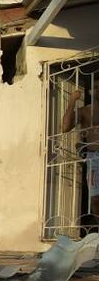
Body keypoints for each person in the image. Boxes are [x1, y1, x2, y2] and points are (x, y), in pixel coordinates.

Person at [62, 82, 99, 215]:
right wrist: (72, 100)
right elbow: (65, 127)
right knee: (95, 200)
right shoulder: (86, 111)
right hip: (94, 158)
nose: (96, 90)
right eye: (94, 87)